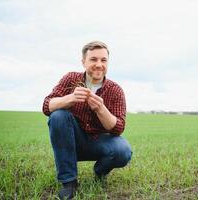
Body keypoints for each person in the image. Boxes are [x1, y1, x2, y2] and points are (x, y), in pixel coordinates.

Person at [42, 41, 132, 199]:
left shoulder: (115, 90)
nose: (99, 65)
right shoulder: (71, 79)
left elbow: (118, 128)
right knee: (58, 115)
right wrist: (70, 98)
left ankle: (100, 172)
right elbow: (47, 106)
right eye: (93, 59)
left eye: (103, 60)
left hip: (99, 143)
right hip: (71, 142)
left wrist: (100, 109)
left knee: (123, 150)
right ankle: (69, 182)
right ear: (83, 62)